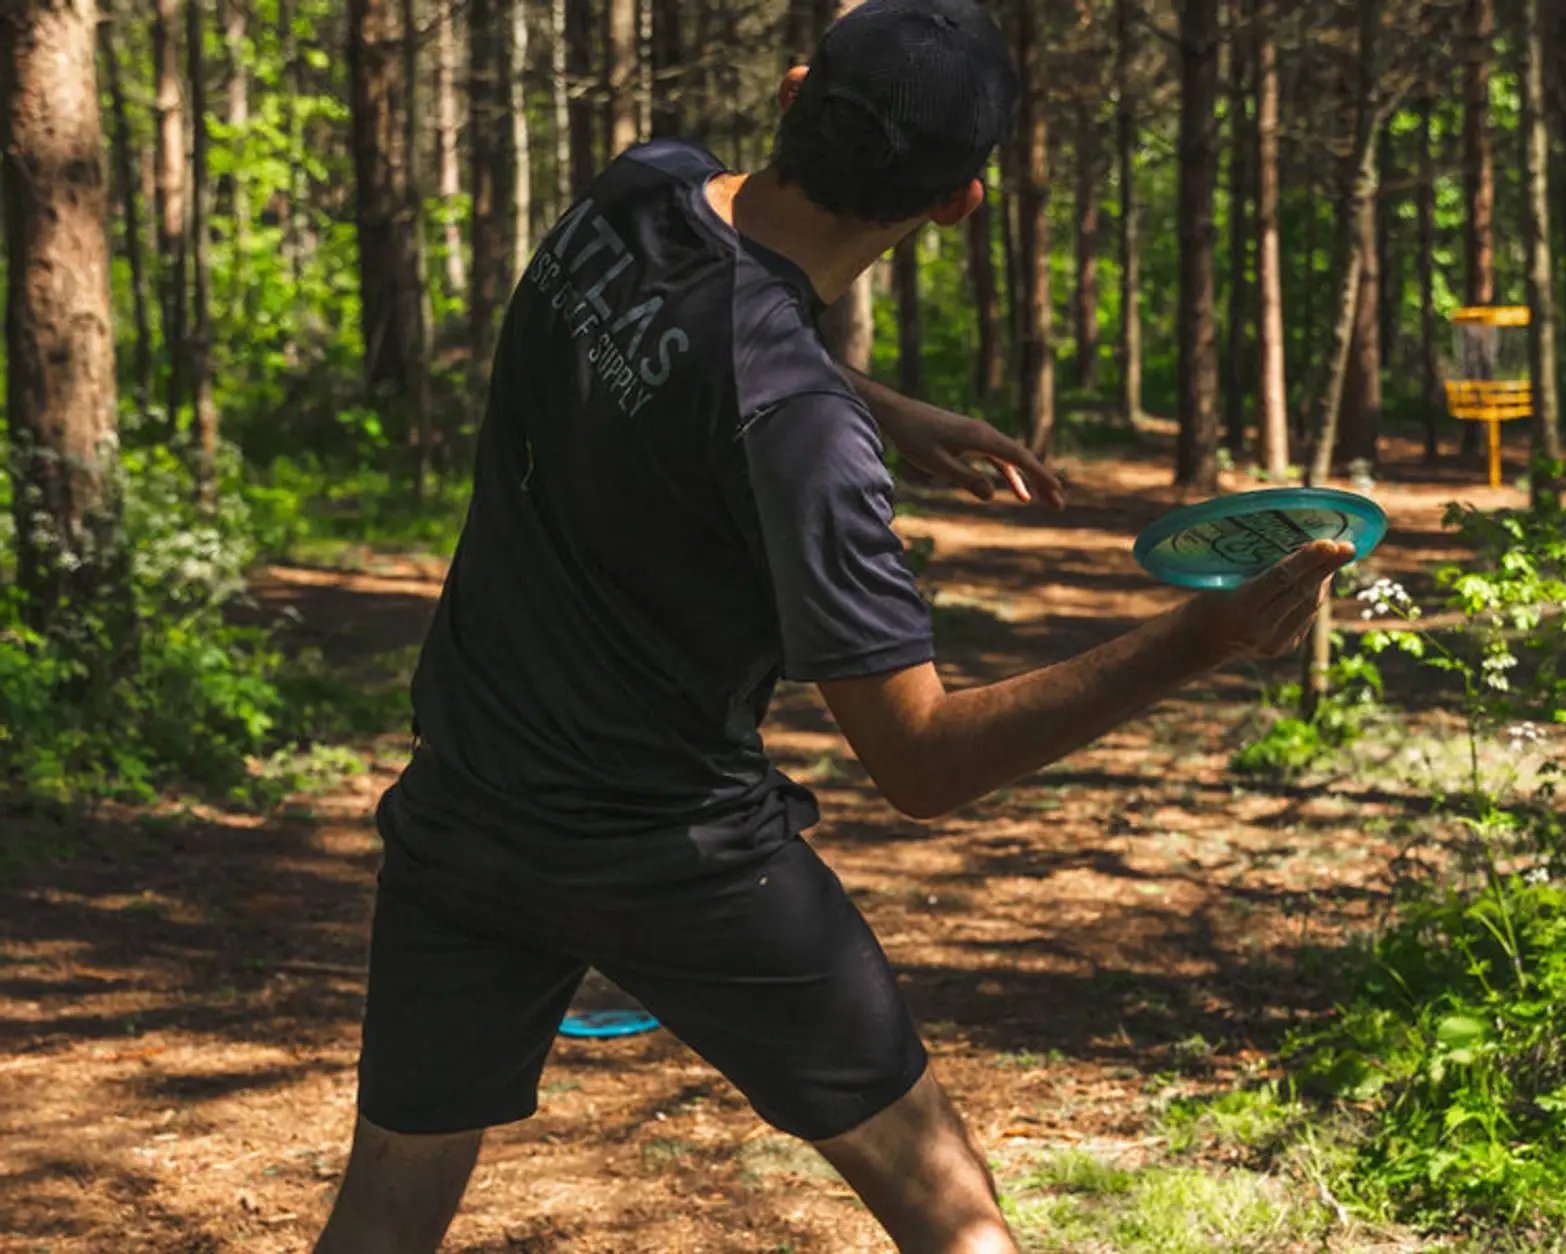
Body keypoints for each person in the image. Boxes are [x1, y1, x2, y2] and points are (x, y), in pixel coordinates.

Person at [309, 1, 1351, 1250]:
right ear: (958, 203)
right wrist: (1199, 641)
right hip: (677, 859)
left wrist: (874, 406)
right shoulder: (798, 428)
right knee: (951, 1218)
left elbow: (704, 322)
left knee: (382, 1218)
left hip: (462, 809)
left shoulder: (636, 189)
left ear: (793, 90)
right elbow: (920, 762)